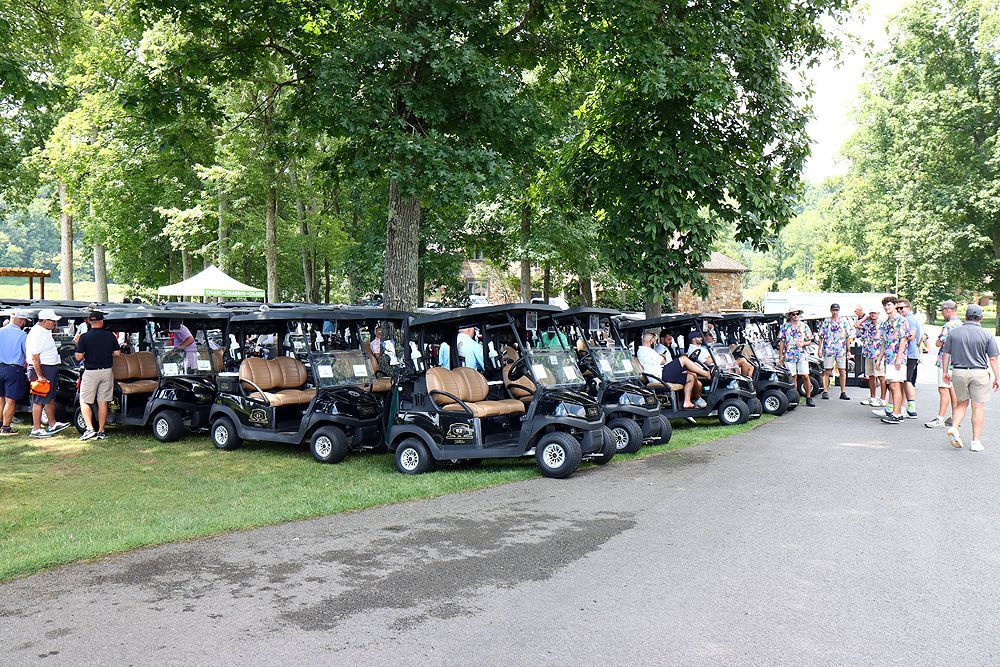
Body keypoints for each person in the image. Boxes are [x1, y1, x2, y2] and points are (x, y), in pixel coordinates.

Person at [941, 304, 1000, 451]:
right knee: (978, 406)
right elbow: (993, 358)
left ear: (966, 316)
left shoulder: (954, 333)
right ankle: (975, 442)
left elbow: (946, 353)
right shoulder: (986, 334)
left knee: (961, 404)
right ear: (981, 317)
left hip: (959, 372)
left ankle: (954, 427)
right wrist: (997, 377)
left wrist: (945, 372)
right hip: (979, 373)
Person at [75, 312, 122, 441]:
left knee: (84, 400)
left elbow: (78, 357)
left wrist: (87, 354)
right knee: (103, 402)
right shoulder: (110, 335)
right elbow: (117, 353)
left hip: (91, 371)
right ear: (102, 321)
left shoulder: (84, 337)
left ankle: (90, 429)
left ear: (90, 321)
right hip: (106, 371)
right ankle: (101, 431)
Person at [25, 309, 71, 438]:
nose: (55, 323)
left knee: (49, 398)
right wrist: (40, 376)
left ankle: (52, 424)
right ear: (45, 321)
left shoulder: (44, 331)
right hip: (42, 369)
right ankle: (36, 428)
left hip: (48, 368)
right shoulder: (37, 333)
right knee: (39, 399)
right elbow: (35, 357)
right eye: (53, 321)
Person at [636, 332, 706, 409]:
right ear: (651, 341)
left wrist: (661, 357)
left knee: (691, 376)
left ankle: (687, 402)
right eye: (655, 340)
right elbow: (663, 361)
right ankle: (707, 374)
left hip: (662, 373)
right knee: (683, 359)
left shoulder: (648, 350)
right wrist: (663, 357)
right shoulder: (645, 351)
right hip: (660, 376)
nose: (655, 342)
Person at [873, 296, 910, 424]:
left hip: (897, 357)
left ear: (895, 305)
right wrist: (879, 358)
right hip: (888, 358)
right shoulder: (885, 323)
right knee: (893, 386)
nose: (886, 307)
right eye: (885, 305)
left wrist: (899, 357)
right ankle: (896, 412)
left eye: (889, 305)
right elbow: (884, 342)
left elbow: (904, 339)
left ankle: (897, 414)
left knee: (895, 385)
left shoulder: (901, 320)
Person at [925, 300, 962, 429]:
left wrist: (937, 341)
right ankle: (955, 416)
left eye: (943, 311)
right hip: (957, 360)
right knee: (952, 389)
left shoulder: (948, 326)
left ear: (948, 310)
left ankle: (940, 418)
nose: (942, 314)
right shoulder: (961, 324)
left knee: (943, 389)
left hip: (945, 361)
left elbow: (940, 343)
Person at [0, 310, 29, 436]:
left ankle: (0, 424)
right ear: (21, 321)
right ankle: (6, 428)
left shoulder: (0, 331)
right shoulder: (22, 335)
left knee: (0, 398)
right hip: (13, 369)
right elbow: (27, 354)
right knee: (10, 400)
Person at [778, 308, 815, 407]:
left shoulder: (804, 326)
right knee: (793, 376)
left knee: (805, 375)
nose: (795, 316)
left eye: (797, 314)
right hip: (789, 354)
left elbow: (810, 341)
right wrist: (780, 356)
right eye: (793, 314)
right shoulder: (785, 327)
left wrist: (803, 343)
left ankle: (808, 397)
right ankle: (795, 398)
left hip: (802, 354)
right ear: (790, 316)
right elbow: (782, 341)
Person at [818, 303, 852, 400]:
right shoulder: (826, 321)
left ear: (839, 311)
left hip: (840, 349)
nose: (835, 312)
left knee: (842, 370)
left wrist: (848, 350)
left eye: (836, 310)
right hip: (828, 349)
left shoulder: (843, 321)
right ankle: (825, 391)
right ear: (831, 311)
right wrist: (819, 349)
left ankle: (843, 392)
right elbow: (821, 336)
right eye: (833, 310)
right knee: (827, 370)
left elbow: (847, 337)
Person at [856, 308, 887, 406]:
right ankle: (873, 397)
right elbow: (856, 325)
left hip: (878, 353)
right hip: (868, 352)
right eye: (871, 313)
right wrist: (865, 318)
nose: (873, 315)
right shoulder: (868, 324)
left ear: (878, 313)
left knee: (881, 376)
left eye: (875, 313)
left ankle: (882, 399)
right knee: (871, 376)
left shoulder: (883, 324)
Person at [897, 299, 921, 418]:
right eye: (897, 308)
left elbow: (911, 336)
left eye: (902, 308)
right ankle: (904, 407)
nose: (899, 310)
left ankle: (909, 408)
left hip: (909, 354)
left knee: (906, 381)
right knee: (905, 380)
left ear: (909, 308)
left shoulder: (909, 319)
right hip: (910, 353)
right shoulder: (907, 318)